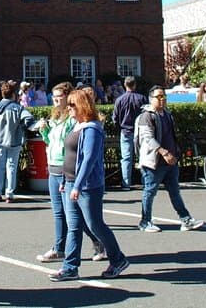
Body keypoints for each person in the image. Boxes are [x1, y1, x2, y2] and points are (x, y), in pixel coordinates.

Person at [49, 89, 130, 282]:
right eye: (68, 104)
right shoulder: (77, 126)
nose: (68, 108)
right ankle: (70, 267)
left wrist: (77, 185)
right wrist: (65, 182)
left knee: (95, 224)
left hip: (87, 186)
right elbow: (68, 155)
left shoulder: (92, 129)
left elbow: (88, 160)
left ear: (83, 106)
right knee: (74, 226)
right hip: (69, 182)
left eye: (72, 105)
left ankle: (117, 259)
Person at [34, 82, 106, 265]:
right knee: (59, 213)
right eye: (54, 97)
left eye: (60, 96)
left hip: (67, 171)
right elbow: (52, 141)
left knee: (74, 216)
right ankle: (60, 249)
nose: (56, 100)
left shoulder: (73, 120)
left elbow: (74, 147)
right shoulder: (56, 117)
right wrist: (44, 130)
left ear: (69, 98)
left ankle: (98, 241)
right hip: (54, 167)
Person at [135, 85, 205, 232]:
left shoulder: (167, 114)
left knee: (174, 191)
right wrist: (163, 152)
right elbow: (147, 138)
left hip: (171, 162)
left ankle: (185, 220)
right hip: (153, 162)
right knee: (150, 191)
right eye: (159, 97)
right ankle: (145, 221)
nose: (162, 99)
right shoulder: (146, 116)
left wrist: (175, 153)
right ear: (151, 99)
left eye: (164, 96)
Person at [0, 80, 37, 203]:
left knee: (0, 167)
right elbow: (29, 118)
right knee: (12, 167)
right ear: (13, 94)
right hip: (15, 140)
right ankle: (9, 193)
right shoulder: (18, 108)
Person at [111, 76, 147, 190]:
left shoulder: (119, 100)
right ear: (134, 85)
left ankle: (126, 183)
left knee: (126, 158)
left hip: (125, 131)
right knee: (142, 156)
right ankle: (145, 182)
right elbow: (147, 116)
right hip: (140, 131)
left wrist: (119, 128)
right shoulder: (142, 98)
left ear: (124, 85)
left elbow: (115, 118)